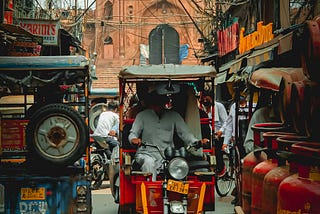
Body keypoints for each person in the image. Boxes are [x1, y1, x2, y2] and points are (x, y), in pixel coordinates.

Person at [129, 91, 209, 181]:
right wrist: (133, 139)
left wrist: (197, 142)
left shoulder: (174, 116)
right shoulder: (142, 116)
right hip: (146, 154)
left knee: (181, 166)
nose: (158, 107)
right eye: (155, 104)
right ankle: (151, 193)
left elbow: (185, 134)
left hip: (168, 156)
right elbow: (133, 133)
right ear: (150, 104)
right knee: (149, 163)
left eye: (161, 103)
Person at [200, 91, 228, 177]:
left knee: (218, 152)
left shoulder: (219, 106)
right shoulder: (201, 108)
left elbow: (226, 122)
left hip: (219, 134)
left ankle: (221, 167)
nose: (205, 100)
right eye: (203, 98)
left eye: (207, 98)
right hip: (207, 133)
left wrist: (221, 131)